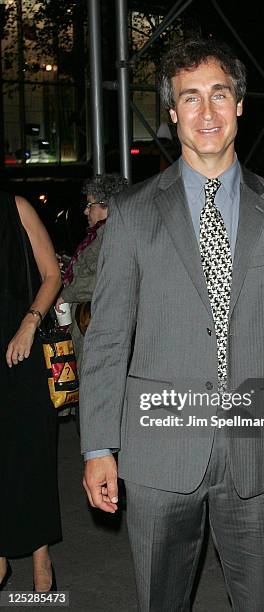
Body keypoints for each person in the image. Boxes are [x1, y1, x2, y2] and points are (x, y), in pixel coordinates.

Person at [80, 38, 264, 611]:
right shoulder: (134, 216)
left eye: (219, 94)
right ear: (172, 114)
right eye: (191, 98)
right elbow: (108, 339)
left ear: (240, 104)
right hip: (159, 452)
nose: (207, 112)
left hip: (258, 448)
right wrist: (98, 446)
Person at [0, 192, 62, 591]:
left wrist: (29, 323)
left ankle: (41, 556)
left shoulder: (15, 207)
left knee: (31, 453)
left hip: (20, 348)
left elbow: (52, 274)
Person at [55, 174, 128, 376]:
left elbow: (107, 276)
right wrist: (67, 265)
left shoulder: (113, 235)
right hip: (91, 329)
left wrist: (67, 294)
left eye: (90, 205)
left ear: (106, 205)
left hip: (98, 332)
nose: (86, 211)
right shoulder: (101, 234)